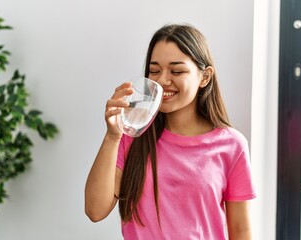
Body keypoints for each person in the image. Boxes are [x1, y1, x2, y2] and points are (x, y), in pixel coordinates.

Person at [85, 23, 256, 240]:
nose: (163, 80)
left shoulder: (232, 145)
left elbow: (240, 230)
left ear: (205, 77)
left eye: (177, 71)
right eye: (154, 70)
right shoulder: (132, 134)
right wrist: (112, 136)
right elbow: (95, 210)